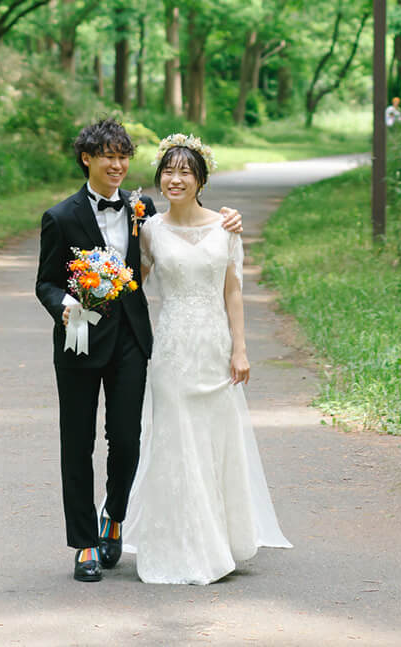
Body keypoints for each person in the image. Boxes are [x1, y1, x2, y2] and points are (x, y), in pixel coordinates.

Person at [34, 118, 243, 583]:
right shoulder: (61, 217)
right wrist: (66, 305)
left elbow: (186, 225)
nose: (117, 164)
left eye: (123, 156)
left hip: (131, 339)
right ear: (86, 159)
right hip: (80, 342)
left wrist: (230, 219)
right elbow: (45, 281)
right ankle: (85, 543)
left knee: (127, 439)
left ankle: (115, 515)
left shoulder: (141, 208)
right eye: (107, 155)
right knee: (77, 441)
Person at [124, 134, 291, 584]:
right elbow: (132, 286)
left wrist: (240, 348)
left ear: (201, 181)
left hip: (214, 348)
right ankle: (180, 544)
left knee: (214, 440)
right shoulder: (150, 229)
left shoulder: (226, 227)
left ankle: (218, 538)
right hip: (173, 352)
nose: (175, 180)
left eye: (186, 173)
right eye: (168, 171)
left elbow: (233, 289)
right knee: (176, 442)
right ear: (159, 177)